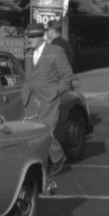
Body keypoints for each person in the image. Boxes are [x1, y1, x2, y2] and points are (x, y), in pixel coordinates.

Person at [23, 22, 74, 174]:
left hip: (48, 100)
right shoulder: (28, 54)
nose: (29, 40)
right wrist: (24, 91)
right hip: (31, 99)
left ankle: (58, 157)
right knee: (32, 133)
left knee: (45, 132)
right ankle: (41, 164)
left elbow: (67, 77)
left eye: (32, 37)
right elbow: (28, 77)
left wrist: (55, 91)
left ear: (41, 37)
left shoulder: (56, 51)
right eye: (28, 37)